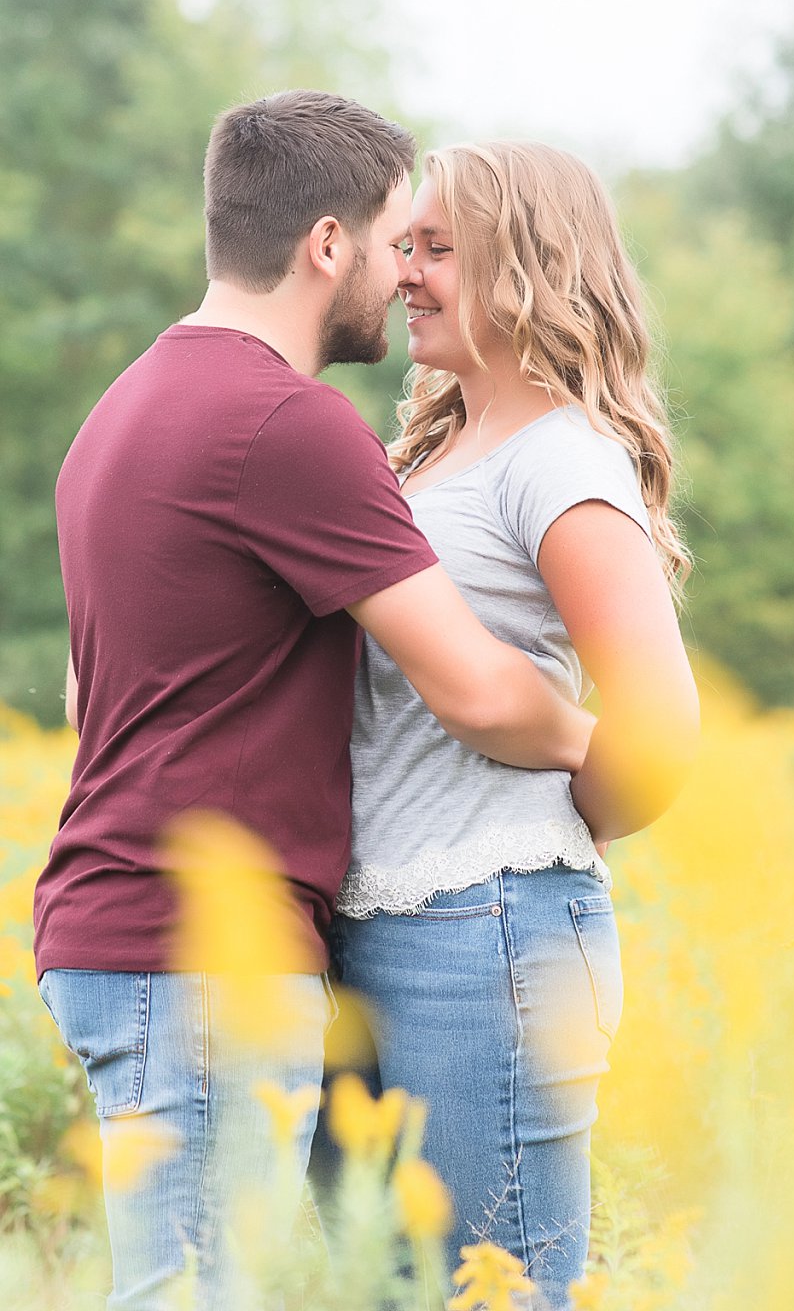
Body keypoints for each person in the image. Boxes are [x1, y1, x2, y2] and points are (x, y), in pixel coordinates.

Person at [34, 91, 600, 1311]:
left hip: (121, 934)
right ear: (326, 245)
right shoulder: (285, 423)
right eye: (399, 242)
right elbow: (477, 690)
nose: (406, 276)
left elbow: (93, 699)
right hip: (196, 956)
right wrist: (605, 747)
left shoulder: (121, 414)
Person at [331, 139, 697, 1304]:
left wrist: (547, 812)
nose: (407, 273)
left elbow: (661, 729)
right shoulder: (437, 454)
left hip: (488, 931)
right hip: (391, 922)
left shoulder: (560, 460)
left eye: (441, 250)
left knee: (495, 1287)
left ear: (531, 269)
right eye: (406, 246)